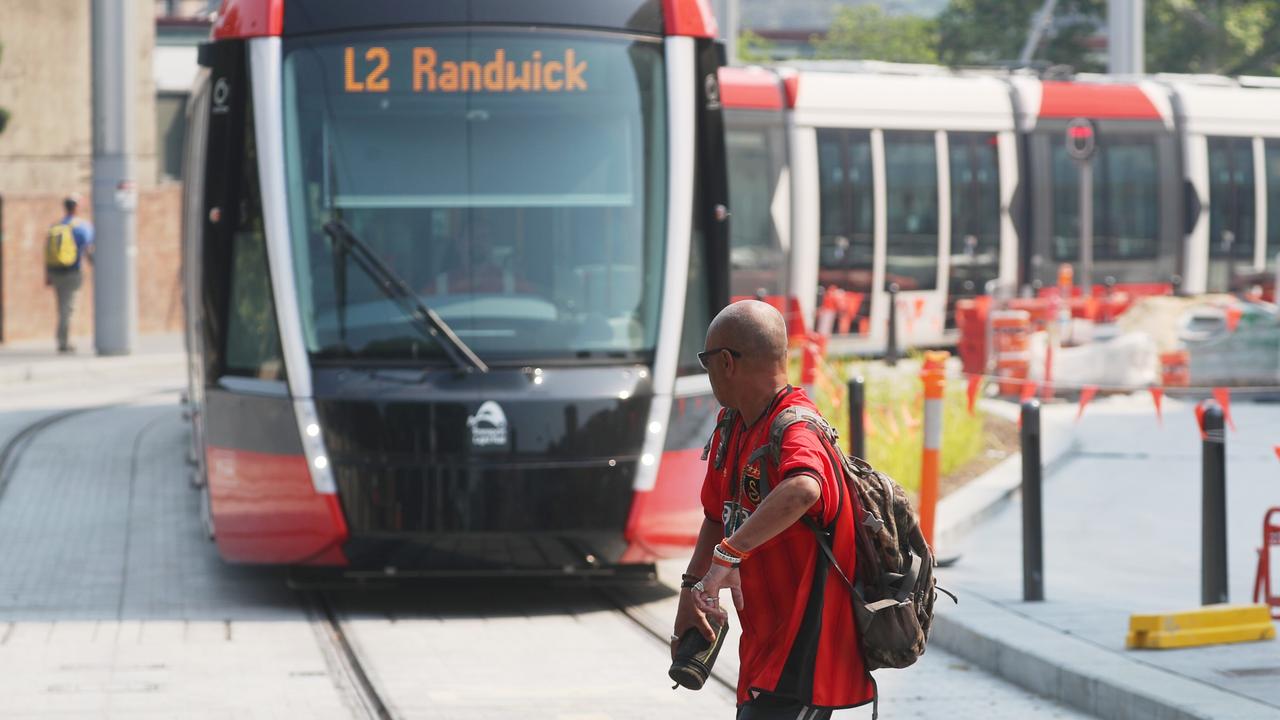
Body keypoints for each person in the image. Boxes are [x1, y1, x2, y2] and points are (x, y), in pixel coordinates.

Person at [673, 300, 875, 719]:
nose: (707, 372)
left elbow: (804, 487)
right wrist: (691, 590)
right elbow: (716, 515)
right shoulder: (733, 425)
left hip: (805, 657)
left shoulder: (796, 427)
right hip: (763, 653)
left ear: (726, 362)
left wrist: (727, 558)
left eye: (706, 361)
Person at [45, 196, 94, 353]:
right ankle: (64, 342)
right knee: (69, 308)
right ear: (77, 207)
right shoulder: (82, 227)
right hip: (72, 272)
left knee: (61, 307)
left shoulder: (56, 226)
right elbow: (89, 250)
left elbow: (47, 251)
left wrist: (47, 274)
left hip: (55, 272)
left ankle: (62, 338)